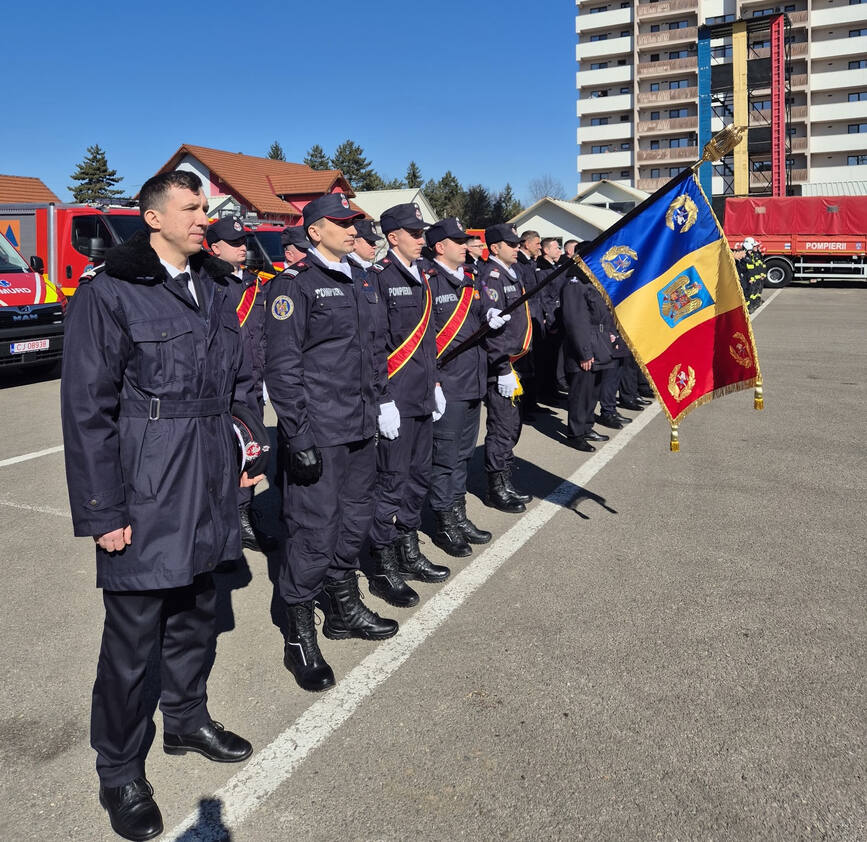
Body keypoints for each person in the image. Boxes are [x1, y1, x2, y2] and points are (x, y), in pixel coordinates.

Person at [61, 170, 259, 842]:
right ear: (152, 218)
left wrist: (247, 443)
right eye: (192, 208)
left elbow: (240, 380)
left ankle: (186, 719)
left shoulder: (216, 286)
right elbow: (87, 409)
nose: (205, 217)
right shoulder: (110, 290)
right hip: (147, 483)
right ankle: (118, 769)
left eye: (206, 206)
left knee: (198, 612)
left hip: (210, 476)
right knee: (132, 637)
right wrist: (102, 510)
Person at [265, 193, 398, 693]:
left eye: (354, 222)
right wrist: (297, 433)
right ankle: (299, 635)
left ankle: (343, 607)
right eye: (341, 222)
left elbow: (374, 350)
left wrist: (382, 401)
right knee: (313, 531)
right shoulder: (295, 284)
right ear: (314, 231)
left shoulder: (362, 278)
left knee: (355, 519)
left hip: (360, 425)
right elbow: (283, 367)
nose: (352, 229)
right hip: (320, 431)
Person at [366, 203, 451, 608]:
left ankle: (408, 549)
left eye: (422, 233)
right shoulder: (379, 278)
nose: (422, 239)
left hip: (420, 396)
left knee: (418, 478)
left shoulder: (424, 276)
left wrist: (435, 383)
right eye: (414, 233)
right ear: (393, 237)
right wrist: (383, 399)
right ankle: (384, 564)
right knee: (391, 482)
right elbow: (374, 346)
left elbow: (428, 339)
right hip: (395, 401)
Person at [206, 215, 277, 554]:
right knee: (226, 455)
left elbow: (263, 335)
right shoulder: (208, 283)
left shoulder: (255, 282)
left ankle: (243, 512)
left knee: (252, 452)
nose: (241, 248)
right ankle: (228, 519)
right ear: (214, 248)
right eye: (233, 243)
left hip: (254, 384)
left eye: (243, 242)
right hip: (225, 387)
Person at [424, 218, 492, 557]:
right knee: (444, 458)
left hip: (472, 381)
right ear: (440, 247)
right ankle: (444, 521)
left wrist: (491, 320)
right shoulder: (428, 281)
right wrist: (433, 381)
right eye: (458, 241)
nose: (466, 246)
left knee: (463, 455)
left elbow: (477, 320)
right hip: (447, 384)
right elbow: (422, 338)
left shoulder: (470, 279)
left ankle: (458, 513)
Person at [480, 223, 534, 512]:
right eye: (511, 244)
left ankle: (506, 480)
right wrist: (501, 368)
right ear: (495, 247)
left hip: (517, 361)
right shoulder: (492, 276)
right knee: (502, 427)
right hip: (504, 365)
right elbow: (493, 331)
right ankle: (496, 487)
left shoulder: (512, 273)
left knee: (512, 426)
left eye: (517, 243)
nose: (516, 248)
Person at [561, 268, 614, 452]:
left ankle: (586, 427)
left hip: (598, 343)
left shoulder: (589, 281)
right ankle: (576, 434)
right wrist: (584, 353)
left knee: (592, 392)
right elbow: (576, 321)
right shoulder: (574, 284)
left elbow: (603, 312)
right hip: (585, 346)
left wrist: (610, 334)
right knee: (581, 393)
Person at [535, 237, 564, 405]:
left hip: (558, 316)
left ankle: (553, 389)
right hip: (551, 318)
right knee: (547, 358)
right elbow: (544, 297)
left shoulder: (555, 267)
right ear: (546, 250)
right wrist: (550, 319)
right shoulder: (542, 270)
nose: (559, 250)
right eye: (556, 247)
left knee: (555, 358)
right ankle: (545, 393)